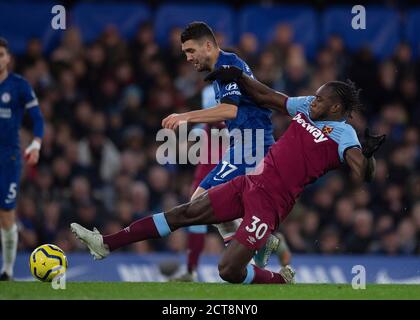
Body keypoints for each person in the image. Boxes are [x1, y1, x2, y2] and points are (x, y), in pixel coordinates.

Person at [71, 69, 385, 284]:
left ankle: (277, 280)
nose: (312, 101)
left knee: (227, 270)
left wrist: (369, 157)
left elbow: (362, 173)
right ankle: (106, 243)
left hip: (272, 204)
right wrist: (236, 76)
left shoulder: (344, 134)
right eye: (314, 97)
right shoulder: (307, 108)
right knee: (185, 212)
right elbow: (268, 96)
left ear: (336, 107)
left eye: (319, 100)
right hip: (251, 182)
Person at [161, 22, 287, 280]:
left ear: (208, 45)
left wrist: (185, 117)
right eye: (185, 53)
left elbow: (230, 111)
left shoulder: (226, 68)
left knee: (201, 202)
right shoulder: (226, 66)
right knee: (206, 204)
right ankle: (256, 247)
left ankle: (253, 250)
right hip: (240, 144)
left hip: (252, 143)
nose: (188, 57)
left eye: (190, 50)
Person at [0, 38, 44, 280]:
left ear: (8, 58)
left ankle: (7, 270)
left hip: (8, 157)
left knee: (6, 214)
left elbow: (37, 118)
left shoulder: (18, 86)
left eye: (1, 54)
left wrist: (36, 144)